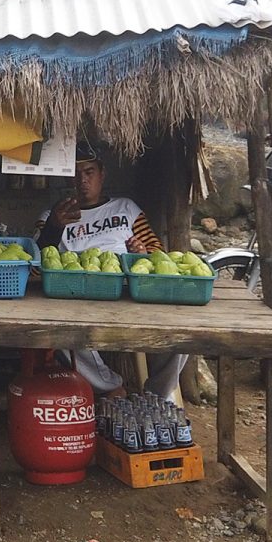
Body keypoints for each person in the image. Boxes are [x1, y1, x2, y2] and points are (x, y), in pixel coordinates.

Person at [36, 143, 188, 401]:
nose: (82, 181)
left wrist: (141, 253)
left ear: (102, 174)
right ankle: (109, 388)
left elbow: (157, 252)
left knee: (185, 331)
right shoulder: (54, 215)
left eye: (89, 172)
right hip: (80, 297)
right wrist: (53, 228)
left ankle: (157, 396)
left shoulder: (125, 208)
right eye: (75, 174)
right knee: (55, 332)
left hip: (132, 294)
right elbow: (39, 260)